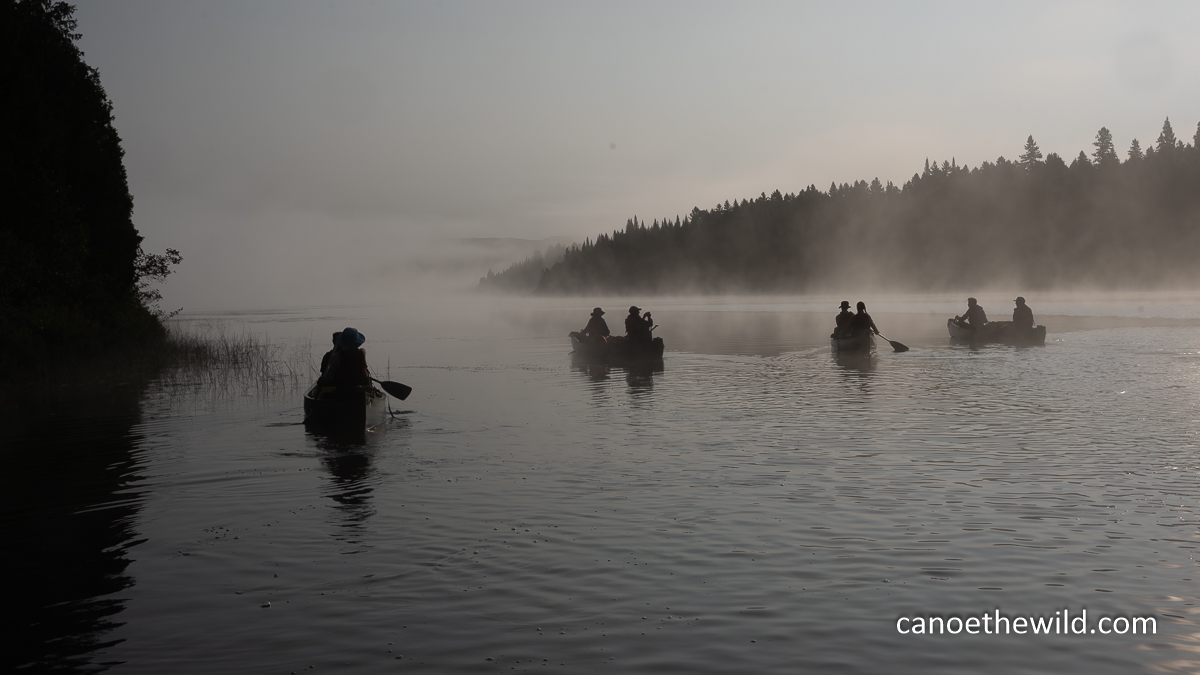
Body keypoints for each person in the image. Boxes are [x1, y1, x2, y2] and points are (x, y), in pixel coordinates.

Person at [318, 326, 370, 395]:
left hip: (342, 390)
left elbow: (327, 377)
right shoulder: (362, 353)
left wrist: (322, 382)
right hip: (360, 389)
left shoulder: (337, 356)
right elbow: (365, 374)